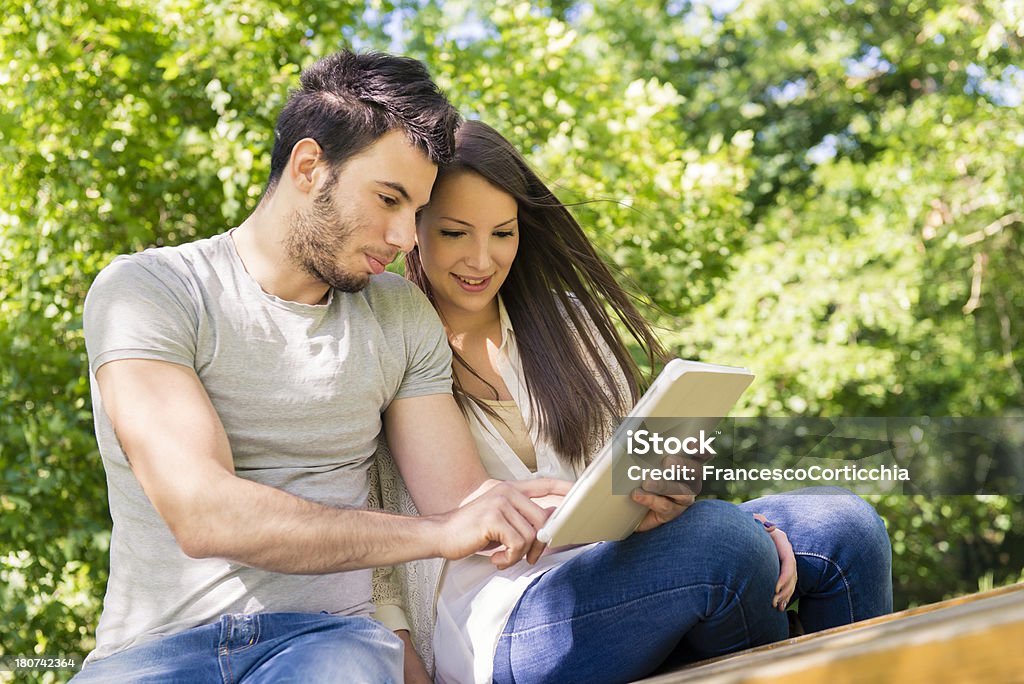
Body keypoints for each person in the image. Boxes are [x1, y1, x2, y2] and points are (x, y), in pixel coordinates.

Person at [73, 52, 574, 683]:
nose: (402, 237)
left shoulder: (397, 312)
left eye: (414, 212)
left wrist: (597, 503)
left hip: (331, 644)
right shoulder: (151, 290)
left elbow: (465, 504)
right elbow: (205, 513)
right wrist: (441, 531)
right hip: (152, 655)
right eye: (388, 199)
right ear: (309, 166)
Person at [370, 120, 894, 684]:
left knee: (846, 526)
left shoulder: (563, 322)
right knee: (726, 543)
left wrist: (673, 492)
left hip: (623, 561)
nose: (482, 260)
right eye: (454, 233)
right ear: (414, 224)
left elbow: (621, 475)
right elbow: (370, 554)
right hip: (504, 620)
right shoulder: (384, 342)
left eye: (503, 233)